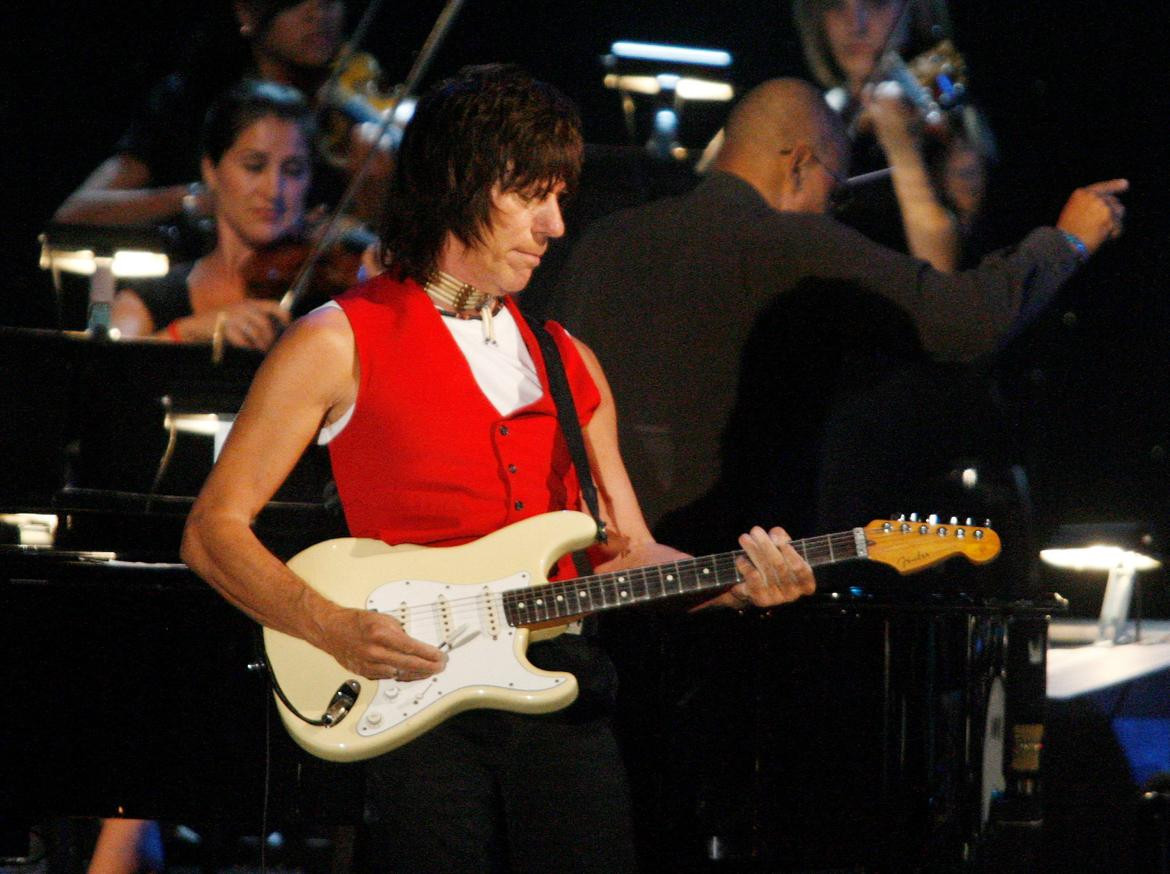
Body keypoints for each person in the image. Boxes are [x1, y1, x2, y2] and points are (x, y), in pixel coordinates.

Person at [179, 64, 815, 872]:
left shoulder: (568, 361)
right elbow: (211, 532)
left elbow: (626, 552)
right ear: (458, 183)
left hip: (560, 686)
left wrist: (737, 582)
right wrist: (327, 625)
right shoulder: (339, 338)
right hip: (416, 702)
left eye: (560, 199)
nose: (555, 225)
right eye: (531, 197)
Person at [552, 77, 1125, 536]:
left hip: (595, 564)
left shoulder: (603, 242)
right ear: (799, 162)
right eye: (837, 187)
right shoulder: (796, 244)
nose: (832, 207)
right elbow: (963, 320)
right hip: (732, 578)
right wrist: (1066, 242)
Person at [53, 0, 390, 237]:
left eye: (331, 0)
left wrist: (372, 196)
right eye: (295, 1)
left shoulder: (350, 108)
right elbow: (77, 211)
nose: (319, 11)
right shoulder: (190, 99)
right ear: (246, 10)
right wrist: (199, 200)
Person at [110, 79, 321, 350]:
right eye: (254, 166)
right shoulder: (146, 298)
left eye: (293, 170)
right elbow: (101, 374)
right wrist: (186, 331)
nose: (274, 190)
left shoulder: (332, 298)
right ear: (211, 171)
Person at [791, 0, 997, 270]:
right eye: (835, 5)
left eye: (877, 4)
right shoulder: (818, 114)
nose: (856, 25)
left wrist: (903, 147)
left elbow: (943, 271)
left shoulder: (952, 119)